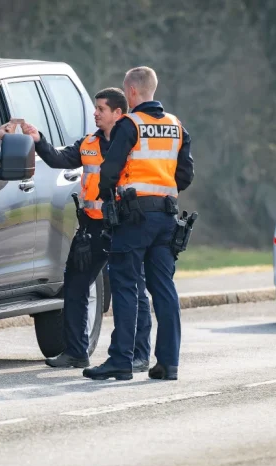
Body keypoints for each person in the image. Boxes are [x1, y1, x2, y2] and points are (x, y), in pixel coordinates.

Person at [21, 88, 153, 371]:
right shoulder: (88, 144)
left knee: (134, 290)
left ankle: (139, 355)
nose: (95, 113)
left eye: (101, 109)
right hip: (93, 227)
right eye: (95, 108)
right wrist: (39, 140)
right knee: (76, 285)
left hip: (126, 227)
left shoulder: (134, 143)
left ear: (118, 113)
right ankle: (76, 352)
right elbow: (60, 160)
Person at [83, 66, 194, 381]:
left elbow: (110, 170)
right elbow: (185, 175)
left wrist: (109, 200)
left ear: (131, 92)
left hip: (133, 218)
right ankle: (168, 364)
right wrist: (163, 194)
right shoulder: (176, 126)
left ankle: (121, 360)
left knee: (126, 286)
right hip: (167, 217)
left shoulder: (129, 124)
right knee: (164, 289)